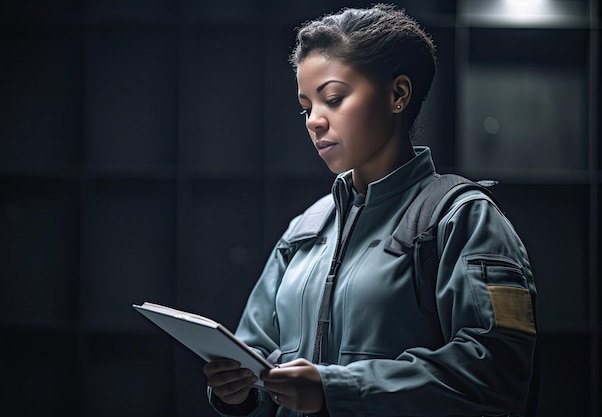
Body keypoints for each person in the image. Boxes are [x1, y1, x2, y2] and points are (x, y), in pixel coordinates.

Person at [203, 4, 538, 417]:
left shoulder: (461, 219)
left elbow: (498, 374)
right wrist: (237, 391)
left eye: (333, 98)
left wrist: (335, 389)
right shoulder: (304, 231)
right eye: (306, 106)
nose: (313, 122)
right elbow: (255, 349)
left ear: (398, 94)